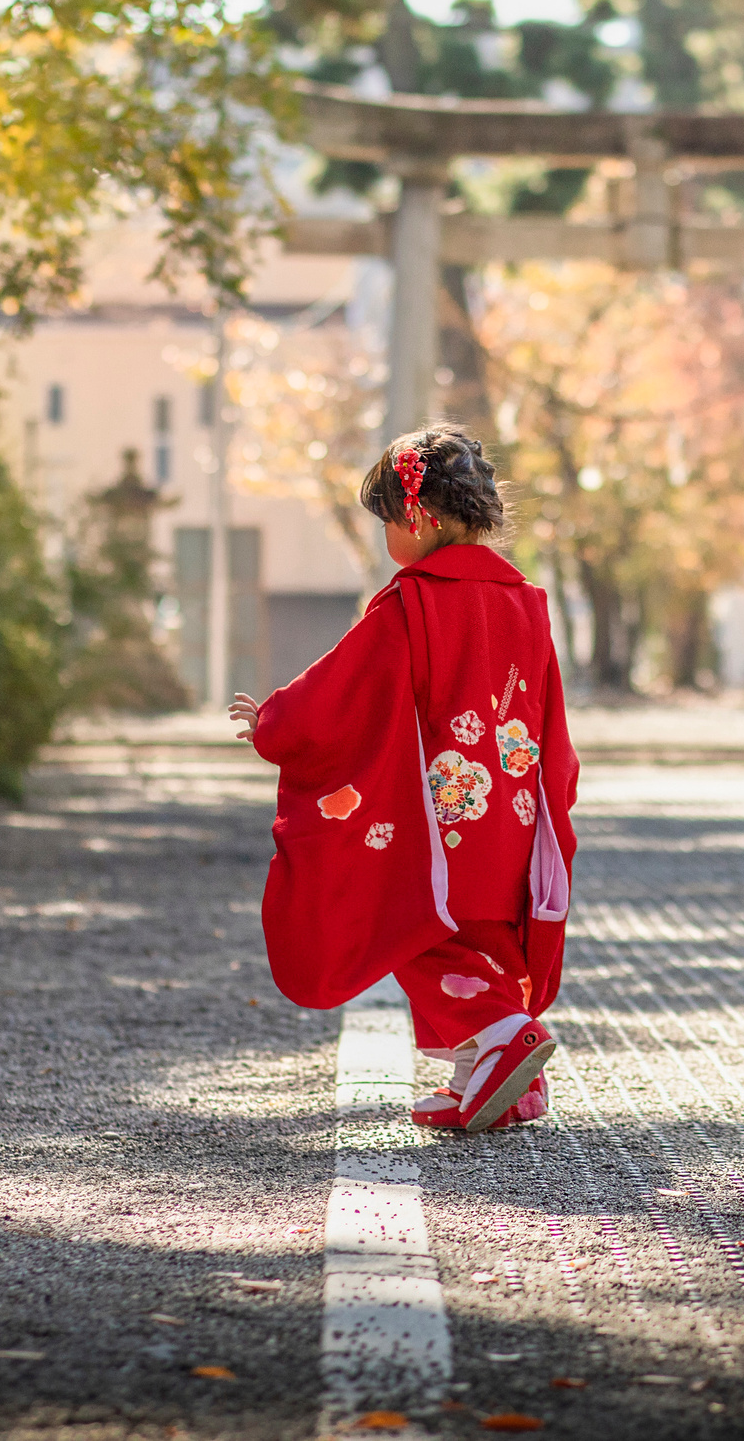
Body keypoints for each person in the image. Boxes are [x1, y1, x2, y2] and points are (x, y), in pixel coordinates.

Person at [229, 424, 578, 1132]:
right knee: (478, 939)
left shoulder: (412, 603)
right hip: (507, 810)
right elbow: (550, 723)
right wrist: (553, 801)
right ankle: (486, 1076)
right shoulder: (527, 604)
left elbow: (343, 689)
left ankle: (503, 1034)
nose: (388, 535)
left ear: (415, 517)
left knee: (409, 921)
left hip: (440, 816)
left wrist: (275, 720)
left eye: (388, 519)